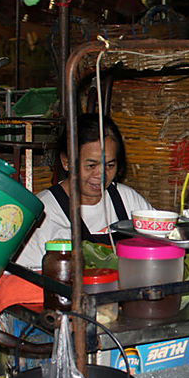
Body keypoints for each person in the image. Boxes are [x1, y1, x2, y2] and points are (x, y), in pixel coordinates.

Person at [15, 113, 153, 270]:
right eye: (91, 166)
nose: (101, 176)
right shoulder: (43, 213)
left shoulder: (127, 200)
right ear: (66, 162)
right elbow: (21, 280)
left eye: (109, 165)